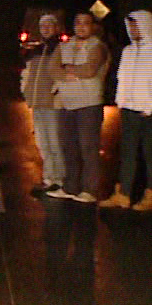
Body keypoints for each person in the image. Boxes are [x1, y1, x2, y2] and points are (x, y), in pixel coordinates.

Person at [101, 9, 152, 212]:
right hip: (129, 110)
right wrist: (120, 101)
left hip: (149, 114)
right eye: (130, 25)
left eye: (136, 25)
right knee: (127, 153)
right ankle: (123, 194)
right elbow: (122, 78)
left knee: (150, 153)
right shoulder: (128, 52)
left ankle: (151, 196)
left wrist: (150, 107)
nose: (133, 29)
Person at [52, 11, 110, 204]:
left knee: (88, 147)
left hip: (89, 104)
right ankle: (70, 186)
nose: (82, 26)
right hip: (67, 104)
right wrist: (69, 71)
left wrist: (67, 68)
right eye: (78, 23)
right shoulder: (64, 46)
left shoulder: (98, 47)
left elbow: (90, 69)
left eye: (86, 23)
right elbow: (52, 68)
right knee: (69, 147)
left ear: (93, 26)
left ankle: (89, 189)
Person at [19, 12, 67, 197]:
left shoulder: (61, 49)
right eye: (42, 26)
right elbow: (28, 74)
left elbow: (64, 76)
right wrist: (27, 93)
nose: (46, 29)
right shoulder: (37, 50)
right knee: (42, 143)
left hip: (53, 104)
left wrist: (58, 93)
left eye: (49, 25)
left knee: (55, 142)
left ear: (56, 28)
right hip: (38, 103)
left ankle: (60, 179)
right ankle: (49, 178)